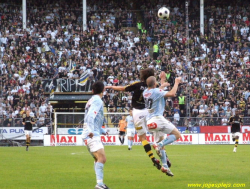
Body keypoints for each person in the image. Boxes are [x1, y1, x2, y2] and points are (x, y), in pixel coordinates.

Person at [105, 68, 162, 170]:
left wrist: (110, 86)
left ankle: (152, 157)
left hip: (137, 113)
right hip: (149, 112)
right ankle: (161, 151)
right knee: (155, 133)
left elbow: (123, 88)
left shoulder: (137, 85)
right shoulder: (153, 86)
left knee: (143, 138)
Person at [143, 76, 182, 176]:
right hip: (157, 119)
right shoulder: (156, 91)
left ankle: (165, 165)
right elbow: (172, 94)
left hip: (149, 122)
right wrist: (176, 82)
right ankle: (158, 145)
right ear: (155, 84)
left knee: (162, 143)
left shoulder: (145, 92)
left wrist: (162, 85)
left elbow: (156, 92)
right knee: (177, 134)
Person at [81, 81, 110, 189]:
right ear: (103, 90)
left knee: (98, 158)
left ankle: (100, 183)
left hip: (90, 133)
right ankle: (99, 184)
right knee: (102, 158)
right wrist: (91, 130)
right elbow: (90, 117)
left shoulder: (91, 100)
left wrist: (101, 130)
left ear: (92, 91)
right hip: (91, 134)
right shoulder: (97, 100)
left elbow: (93, 118)